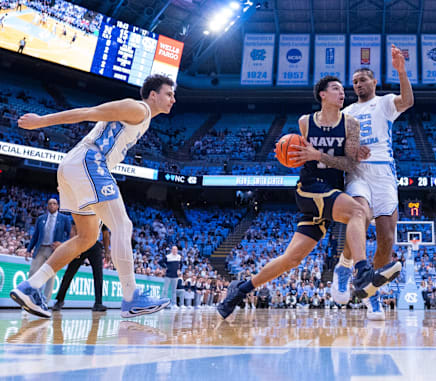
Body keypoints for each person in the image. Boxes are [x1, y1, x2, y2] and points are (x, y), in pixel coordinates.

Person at [215, 76, 401, 320]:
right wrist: (289, 153)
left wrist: (318, 154)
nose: (342, 93)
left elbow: (349, 162)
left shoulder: (351, 123)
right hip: (310, 188)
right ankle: (362, 271)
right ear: (322, 94)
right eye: (336, 89)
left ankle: (240, 289)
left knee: (291, 258)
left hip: (332, 191)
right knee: (358, 212)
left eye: (342, 90)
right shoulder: (305, 122)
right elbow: (297, 154)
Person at [10, 74, 175, 319]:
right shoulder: (137, 108)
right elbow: (89, 111)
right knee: (122, 224)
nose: (173, 99)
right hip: (90, 161)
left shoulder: (145, 120)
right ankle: (131, 297)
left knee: (87, 238)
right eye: (169, 94)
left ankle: (30, 287)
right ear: (153, 95)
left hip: (76, 166)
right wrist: (41, 121)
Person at [332, 44, 414, 321]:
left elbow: (408, 101)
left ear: (374, 81)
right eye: (354, 82)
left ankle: (370, 291)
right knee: (360, 216)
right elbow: (343, 148)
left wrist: (401, 71)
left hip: (385, 175)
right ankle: (345, 267)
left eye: (362, 79)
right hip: (359, 173)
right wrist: (353, 151)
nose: (357, 84)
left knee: (386, 242)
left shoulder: (386, 101)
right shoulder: (348, 112)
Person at [53, 223, 109, 312]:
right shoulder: (81, 210)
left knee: (98, 274)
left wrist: (107, 251)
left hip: (95, 244)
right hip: (80, 243)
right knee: (70, 272)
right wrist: (74, 246)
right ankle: (60, 300)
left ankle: (98, 303)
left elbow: (105, 234)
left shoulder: (101, 214)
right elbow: (73, 229)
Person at [25, 198, 73, 301]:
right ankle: (30, 299)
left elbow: (71, 235)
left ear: (58, 206)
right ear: (47, 206)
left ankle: (45, 301)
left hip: (54, 251)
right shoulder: (41, 218)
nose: (52, 205)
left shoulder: (64, 219)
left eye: (54, 203)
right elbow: (35, 236)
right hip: (40, 249)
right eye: (50, 203)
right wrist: (29, 250)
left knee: (50, 276)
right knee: (33, 272)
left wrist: (62, 244)